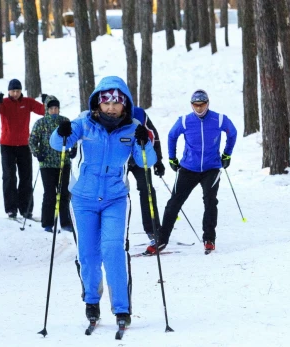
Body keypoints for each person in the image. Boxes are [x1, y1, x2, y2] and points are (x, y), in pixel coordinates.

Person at [50, 76, 157, 328]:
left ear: (125, 105)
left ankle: (121, 307)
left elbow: (145, 162)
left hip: (115, 198)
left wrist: (145, 142)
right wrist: (61, 131)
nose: (111, 108)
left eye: (116, 103)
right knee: (88, 253)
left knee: (113, 250)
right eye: (106, 102)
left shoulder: (132, 128)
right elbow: (59, 143)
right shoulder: (84, 122)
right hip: (83, 199)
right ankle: (91, 301)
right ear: (98, 102)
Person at [146, 89, 237, 255]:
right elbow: (172, 136)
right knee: (174, 203)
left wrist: (227, 154)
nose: (199, 108)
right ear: (191, 105)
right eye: (196, 105)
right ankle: (161, 239)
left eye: (202, 105)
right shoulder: (185, 121)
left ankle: (209, 239)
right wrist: (172, 158)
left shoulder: (219, 119)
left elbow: (233, 133)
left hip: (211, 168)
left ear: (208, 104)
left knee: (210, 201)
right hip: (188, 168)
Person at [0, 79, 45, 220]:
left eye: (18, 91)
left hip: (25, 145)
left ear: (21, 91)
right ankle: (11, 209)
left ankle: (26, 209)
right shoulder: (4, 102)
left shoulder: (27, 102)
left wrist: (47, 101)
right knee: (9, 177)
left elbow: (43, 110)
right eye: (13, 91)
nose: (15, 93)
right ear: (8, 91)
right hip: (7, 145)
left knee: (26, 177)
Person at [28, 95, 75, 232]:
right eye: (51, 108)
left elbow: (74, 137)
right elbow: (32, 140)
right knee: (50, 194)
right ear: (47, 109)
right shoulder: (40, 123)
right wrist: (38, 153)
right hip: (47, 164)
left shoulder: (65, 121)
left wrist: (74, 150)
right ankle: (47, 223)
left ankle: (65, 222)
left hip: (63, 163)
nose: (54, 111)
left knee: (64, 193)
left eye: (56, 108)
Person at [127, 107, 165, 243]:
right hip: (120, 159)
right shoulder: (109, 111)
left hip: (140, 155)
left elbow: (153, 135)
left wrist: (158, 160)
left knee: (147, 189)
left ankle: (153, 229)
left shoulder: (138, 113)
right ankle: (117, 233)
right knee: (118, 193)